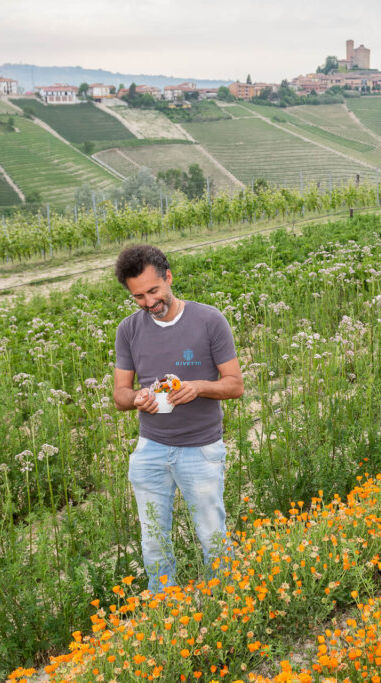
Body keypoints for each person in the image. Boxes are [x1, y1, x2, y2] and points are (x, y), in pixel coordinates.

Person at [112, 244, 243, 593]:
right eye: (138, 296)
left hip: (200, 449)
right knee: (154, 540)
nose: (148, 302)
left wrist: (199, 387)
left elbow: (235, 385)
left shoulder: (209, 320)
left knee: (211, 534)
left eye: (153, 291)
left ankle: (227, 603)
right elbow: (120, 394)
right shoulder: (129, 330)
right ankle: (164, 612)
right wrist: (137, 399)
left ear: (169, 278)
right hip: (150, 448)